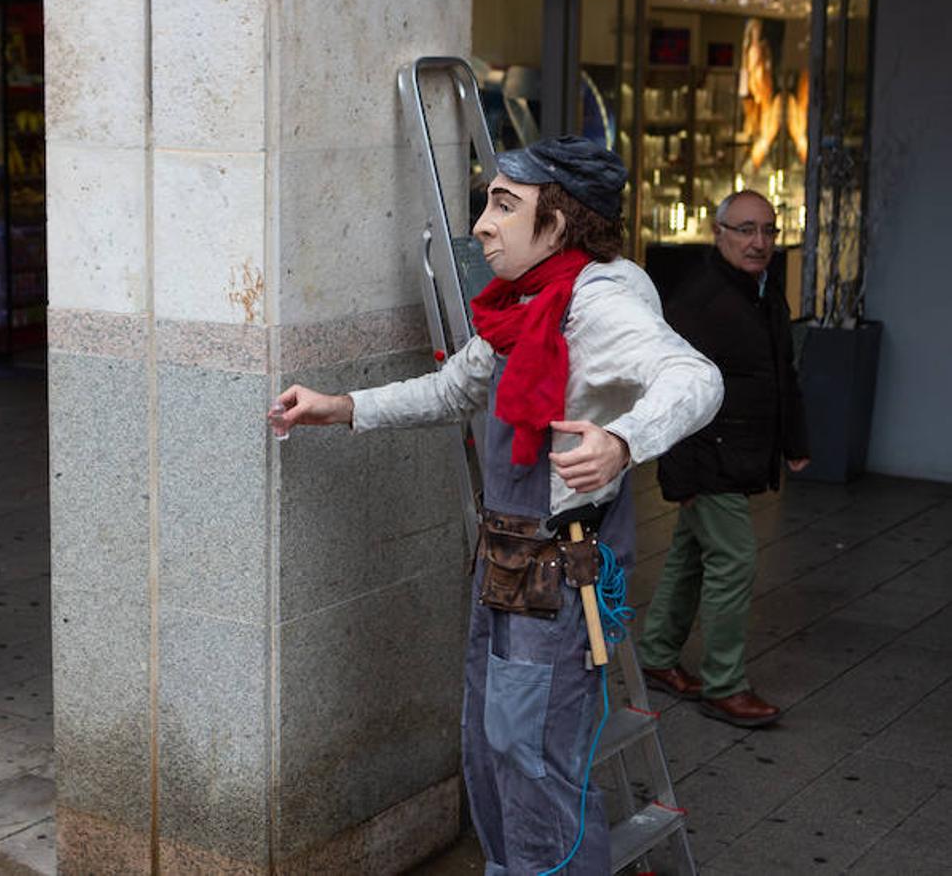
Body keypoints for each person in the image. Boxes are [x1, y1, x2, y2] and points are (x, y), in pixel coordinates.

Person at [273, 136, 723, 874]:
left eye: (505, 205)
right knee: (492, 749)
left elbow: (696, 378)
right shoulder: (529, 300)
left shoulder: (597, 303)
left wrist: (622, 440)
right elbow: (457, 389)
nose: (482, 223)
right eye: (487, 200)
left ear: (562, 222)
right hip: (508, 565)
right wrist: (341, 406)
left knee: (537, 762)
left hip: (555, 574)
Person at [637, 190, 809, 728]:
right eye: (745, 230)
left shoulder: (761, 290)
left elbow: (781, 372)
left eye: (768, 231)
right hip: (709, 458)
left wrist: (794, 442)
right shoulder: (702, 299)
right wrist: (676, 472)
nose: (759, 242)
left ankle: (658, 656)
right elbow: (669, 392)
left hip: (738, 451)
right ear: (719, 233)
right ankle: (724, 685)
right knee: (734, 560)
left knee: (692, 555)